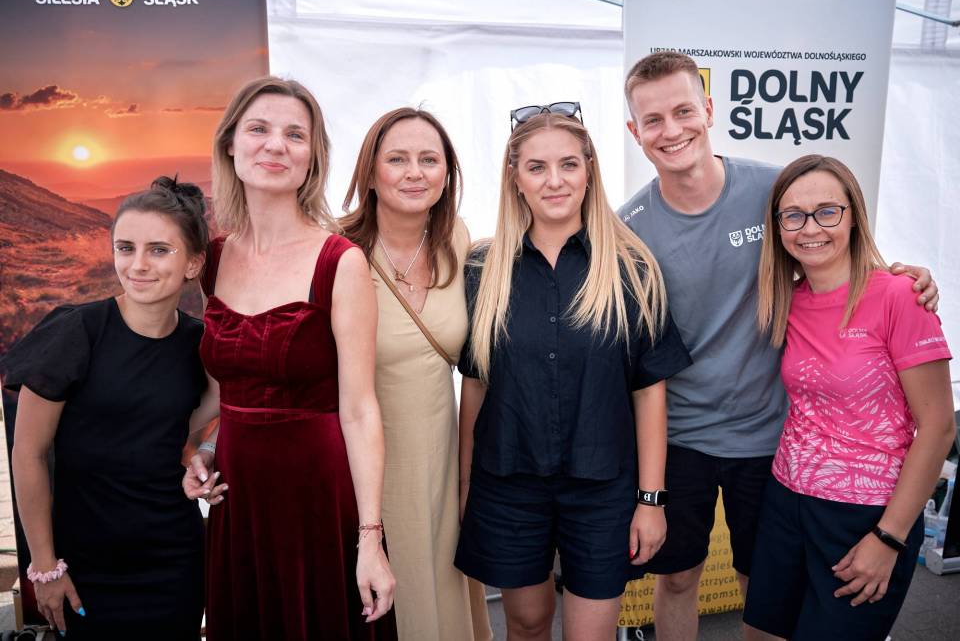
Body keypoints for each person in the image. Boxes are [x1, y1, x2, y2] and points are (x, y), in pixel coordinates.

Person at [617, 51, 940, 641]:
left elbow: (835, 249)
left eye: (683, 111)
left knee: (760, 583)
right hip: (680, 437)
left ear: (708, 110)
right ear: (634, 132)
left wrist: (905, 277)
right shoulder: (628, 228)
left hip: (770, 435)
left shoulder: (772, 191)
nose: (672, 130)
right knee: (678, 579)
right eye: (653, 119)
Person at [456, 105, 692, 640]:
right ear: (515, 179)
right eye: (536, 167)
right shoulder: (481, 269)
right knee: (526, 621)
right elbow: (475, 385)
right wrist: (466, 488)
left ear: (589, 170)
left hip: (603, 487)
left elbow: (650, 393)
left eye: (568, 164)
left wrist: (651, 501)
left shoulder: (632, 268)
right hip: (508, 483)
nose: (554, 180)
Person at [180, 76, 397, 640]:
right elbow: (223, 392)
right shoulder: (213, 260)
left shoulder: (340, 261)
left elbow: (360, 410)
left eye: (295, 135)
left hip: (318, 499)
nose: (275, 145)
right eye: (259, 129)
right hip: (239, 501)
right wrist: (201, 450)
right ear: (231, 144)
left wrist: (370, 539)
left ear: (312, 158)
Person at [743, 154, 955, 640]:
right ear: (778, 226)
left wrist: (889, 537)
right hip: (786, 499)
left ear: (853, 215)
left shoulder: (901, 296)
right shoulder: (788, 298)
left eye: (826, 211)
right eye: (793, 215)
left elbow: (939, 428)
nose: (809, 228)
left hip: (867, 516)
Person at [1, 176, 209, 639]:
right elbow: (28, 454)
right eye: (125, 248)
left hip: (175, 560)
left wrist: (204, 454)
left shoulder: (200, 344)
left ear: (194, 262)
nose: (138, 265)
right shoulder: (77, 332)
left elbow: (207, 423)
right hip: (85, 566)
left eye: (159, 250)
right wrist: (45, 566)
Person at [339, 107, 492, 641]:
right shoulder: (337, 250)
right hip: (363, 463)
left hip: (441, 459)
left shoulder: (456, 240)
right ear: (369, 171)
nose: (414, 172)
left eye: (429, 159)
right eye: (397, 159)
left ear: (447, 173)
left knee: (440, 593)